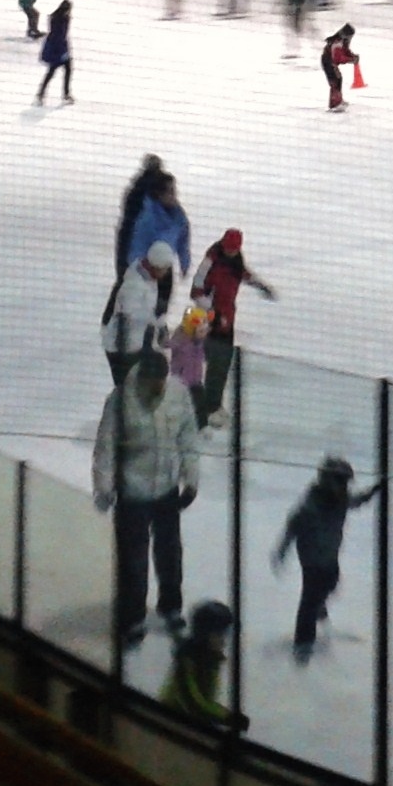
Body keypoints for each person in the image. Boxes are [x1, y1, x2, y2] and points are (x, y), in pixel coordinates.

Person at [92, 348, 201, 645]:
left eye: (163, 381)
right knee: (133, 561)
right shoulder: (120, 401)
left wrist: (191, 480)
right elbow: (105, 446)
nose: (160, 388)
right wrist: (104, 487)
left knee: (170, 554)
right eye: (155, 383)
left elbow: (188, 437)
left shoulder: (178, 394)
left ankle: (171, 606)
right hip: (133, 494)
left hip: (166, 490)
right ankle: (132, 618)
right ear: (142, 378)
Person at [273, 456, 381, 661]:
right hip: (312, 558)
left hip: (330, 556)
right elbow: (291, 529)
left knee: (331, 582)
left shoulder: (340, 500)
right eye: (340, 482)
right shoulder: (309, 508)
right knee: (309, 600)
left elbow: (356, 501)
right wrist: (281, 552)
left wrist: (373, 491)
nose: (344, 487)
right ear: (326, 481)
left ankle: (319, 606)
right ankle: (303, 643)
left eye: (346, 483)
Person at [188, 227, 271, 425]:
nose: (230, 251)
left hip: (227, 320)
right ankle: (203, 407)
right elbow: (196, 292)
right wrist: (213, 313)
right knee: (204, 363)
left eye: (234, 249)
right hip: (205, 319)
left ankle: (213, 405)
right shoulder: (210, 261)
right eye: (228, 248)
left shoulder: (236, 262)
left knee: (222, 365)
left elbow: (245, 274)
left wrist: (261, 286)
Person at [102, 241, 179, 386]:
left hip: (135, 342)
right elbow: (126, 318)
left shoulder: (148, 278)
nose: (166, 273)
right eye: (164, 269)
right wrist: (123, 354)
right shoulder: (134, 285)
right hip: (122, 346)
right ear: (156, 266)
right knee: (128, 388)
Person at [161, 601, 242, 729]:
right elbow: (193, 704)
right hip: (170, 723)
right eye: (220, 634)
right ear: (204, 635)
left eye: (226, 634)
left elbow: (204, 702)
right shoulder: (189, 661)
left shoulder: (208, 658)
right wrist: (228, 718)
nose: (224, 640)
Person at [37, 0, 74, 103]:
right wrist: (63, 51)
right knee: (55, 71)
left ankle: (42, 94)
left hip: (58, 48)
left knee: (55, 72)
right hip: (57, 50)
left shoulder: (57, 17)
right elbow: (60, 36)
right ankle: (64, 94)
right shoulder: (61, 19)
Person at [321, 23, 358, 112]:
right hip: (329, 62)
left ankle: (338, 100)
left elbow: (346, 51)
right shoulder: (337, 43)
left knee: (338, 79)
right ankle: (335, 103)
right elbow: (338, 58)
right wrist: (351, 60)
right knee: (335, 81)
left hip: (331, 62)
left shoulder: (342, 42)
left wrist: (353, 56)